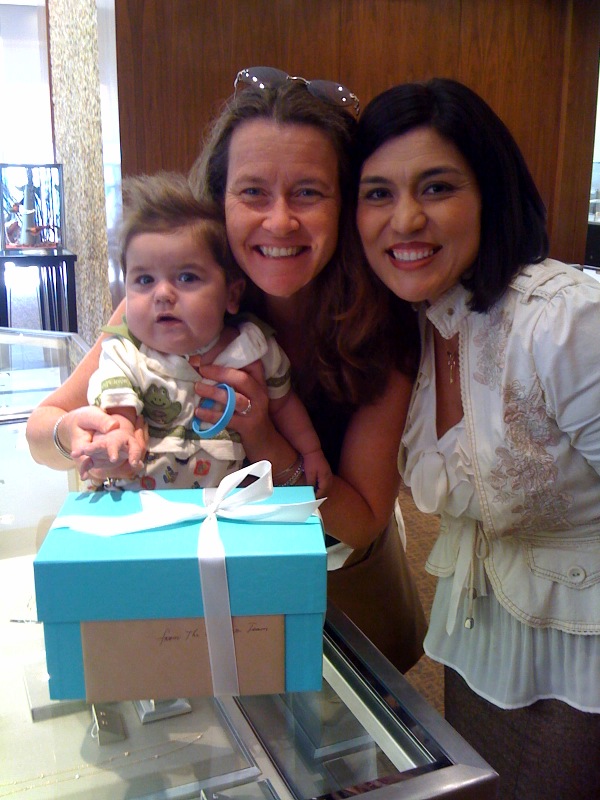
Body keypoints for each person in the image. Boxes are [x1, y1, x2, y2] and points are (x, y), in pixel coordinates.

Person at [26, 69, 427, 673]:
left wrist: (266, 438)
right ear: (219, 201)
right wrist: (77, 432)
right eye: (253, 193)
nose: (280, 221)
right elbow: (42, 429)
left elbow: (363, 521)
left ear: (344, 205)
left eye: (309, 193)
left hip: (342, 601)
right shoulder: (169, 307)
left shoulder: (383, 327)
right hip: (202, 592)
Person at [355, 76, 600, 799]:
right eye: (377, 193)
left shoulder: (564, 320)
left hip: (585, 656)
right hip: (479, 636)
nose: (405, 219)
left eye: (437, 187)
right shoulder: (418, 325)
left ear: (490, 193)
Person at [84, 170, 331, 492]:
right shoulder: (125, 354)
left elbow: (283, 405)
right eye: (144, 280)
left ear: (231, 295)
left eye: (187, 278)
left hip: (224, 505)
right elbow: (119, 412)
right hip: (141, 506)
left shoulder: (251, 347)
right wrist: (115, 437)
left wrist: (311, 452)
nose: (162, 294)